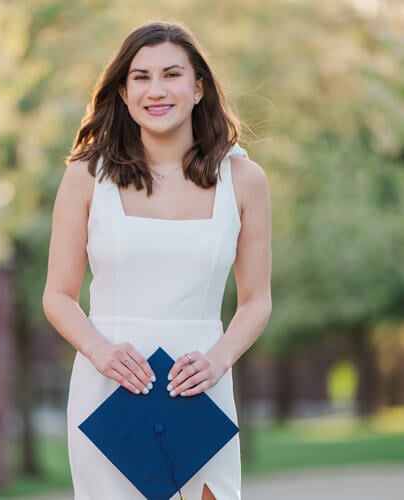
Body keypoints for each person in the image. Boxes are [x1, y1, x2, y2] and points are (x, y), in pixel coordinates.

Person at [42, 20, 272, 500]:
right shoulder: (86, 177)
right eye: (141, 77)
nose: (157, 89)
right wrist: (101, 353)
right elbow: (58, 296)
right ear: (123, 93)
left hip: (200, 385)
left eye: (171, 74)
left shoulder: (245, 179)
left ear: (198, 87)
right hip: (108, 388)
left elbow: (256, 300)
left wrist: (218, 361)